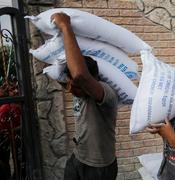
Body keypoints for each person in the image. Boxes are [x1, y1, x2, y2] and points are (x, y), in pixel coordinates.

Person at [51, 13, 118, 180]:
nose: (70, 90)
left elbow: (80, 75)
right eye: (69, 84)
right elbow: (65, 76)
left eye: (75, 86)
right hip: (78, 157)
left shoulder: (105, 92)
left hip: (99, 168)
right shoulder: (78, 88)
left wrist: (66, 26)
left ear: (93, 80)